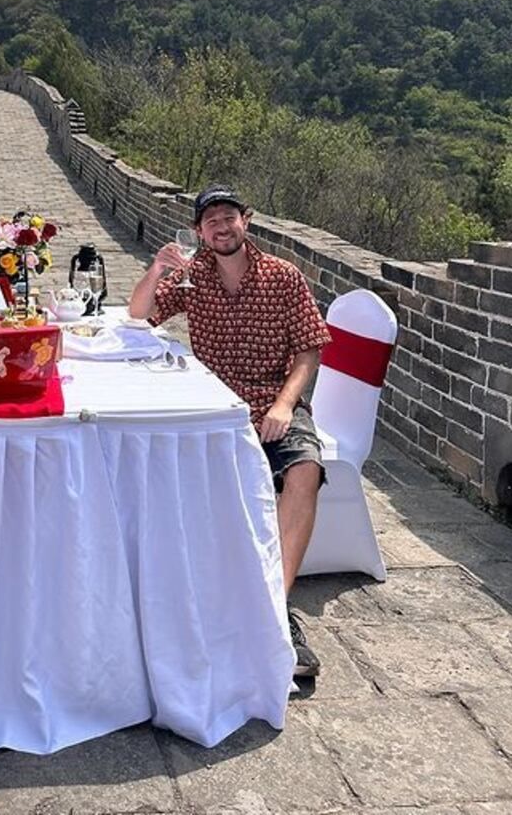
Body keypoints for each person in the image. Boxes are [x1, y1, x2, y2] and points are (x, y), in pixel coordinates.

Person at [128, 185, 331, 678]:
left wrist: (284, 404)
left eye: (229, 217)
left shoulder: (283, 276)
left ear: (246, 220)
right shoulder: (193, 276)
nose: (221, 227)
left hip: (273, 399)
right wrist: (156, 269)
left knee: (305, 469)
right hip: (214, 404)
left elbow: (309, 351)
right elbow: (139, 314)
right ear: (199, 231)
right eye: (211, 221)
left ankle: (274, 608)